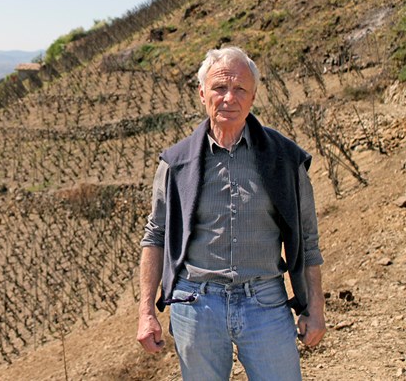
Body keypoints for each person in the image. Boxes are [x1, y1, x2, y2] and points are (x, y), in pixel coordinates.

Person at [136, 46, 326, 380]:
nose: (229, 98)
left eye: (240, 89)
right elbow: (155, 237)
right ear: (201, 93)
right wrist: (145, 312)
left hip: (265, 300)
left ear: (253, 97)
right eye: (219, 88)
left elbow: (308, 238)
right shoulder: (176, 163)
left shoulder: (285, 158)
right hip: (195, 304)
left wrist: (316, 308)